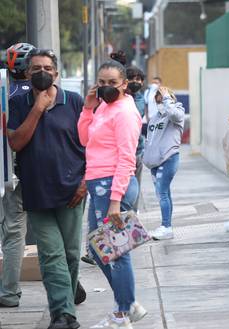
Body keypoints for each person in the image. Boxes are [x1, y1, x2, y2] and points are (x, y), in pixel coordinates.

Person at [7, 49, 86, 328]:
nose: (42, 72)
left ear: (56, 73)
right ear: (28, 74)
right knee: (51, 254)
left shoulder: (73, 102)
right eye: (36, 68)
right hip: (37, 191)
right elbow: (16, 142)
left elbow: (92, 145)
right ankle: (63, 314)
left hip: (72, 191)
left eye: (47, 68)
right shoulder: (17, 103)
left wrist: (85, 181)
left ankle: (66, 292)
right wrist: (38, 109)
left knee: (71, 253)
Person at [78, 60, 146, 328]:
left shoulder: (125, 112)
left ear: (124, 84)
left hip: (112, 186)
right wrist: (87, 108)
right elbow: (84, 139)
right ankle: (129, 305)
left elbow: (127, 159)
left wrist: (115, 201)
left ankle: (123, 313)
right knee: (98, 251)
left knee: (117, 253)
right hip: (99, 184)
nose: (106, 87)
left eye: (112, 83)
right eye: (101, 82)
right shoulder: (104, 107)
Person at [0, 42, 33, 309]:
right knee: (47, 232)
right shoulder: (37, 93)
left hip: (7, 173)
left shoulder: (5, 92)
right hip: (31, 172)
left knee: (10, 232)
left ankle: (9, 293)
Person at [143, 87, 185, 240]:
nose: (159, 101)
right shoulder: (155, 117)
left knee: (161, 193)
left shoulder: (177, 112)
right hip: (154, 162)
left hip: (169, 158)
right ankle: (168, 226)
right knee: (164, 193)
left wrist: (167, 99)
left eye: (162, 98)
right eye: (158, 99)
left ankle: (166, 227)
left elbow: (174, 114)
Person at [125, 66, 146, 211]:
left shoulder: (139, 99)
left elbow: (132, 115)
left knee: (134, 188)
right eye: (131, 78)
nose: (134, 82)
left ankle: (133, 215)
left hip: (136, 151)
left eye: (138, 79)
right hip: (121, 152)